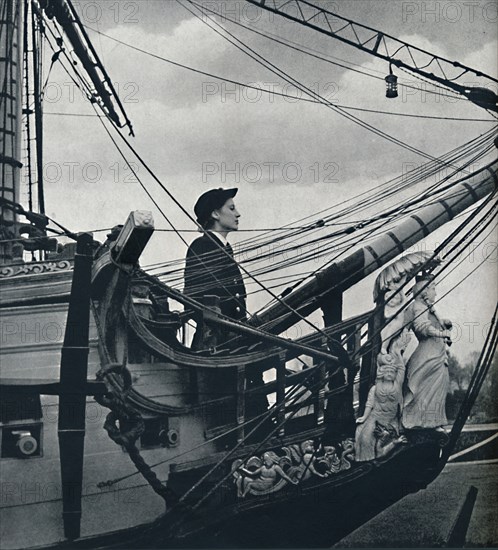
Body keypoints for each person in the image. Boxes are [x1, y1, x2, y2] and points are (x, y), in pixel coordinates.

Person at [184, 187, 246, 326]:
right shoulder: (202, 246)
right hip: (215, 340)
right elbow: (193, 300)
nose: (238, 214)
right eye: (231, 208)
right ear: (215, 214)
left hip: (235, 335)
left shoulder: (224, 247)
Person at [402, 276, 452, 431]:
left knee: (436, 388)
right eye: (433, 288)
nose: (435, 293)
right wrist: (441, 334)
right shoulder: (418, 306)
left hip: (436, 356)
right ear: (425, 290)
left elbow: (429, 323)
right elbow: (422, 327)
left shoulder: (426, 307)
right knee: (426, 389)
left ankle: (433, 423)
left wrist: (444, 323)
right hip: (428, 356)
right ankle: (420, 424)